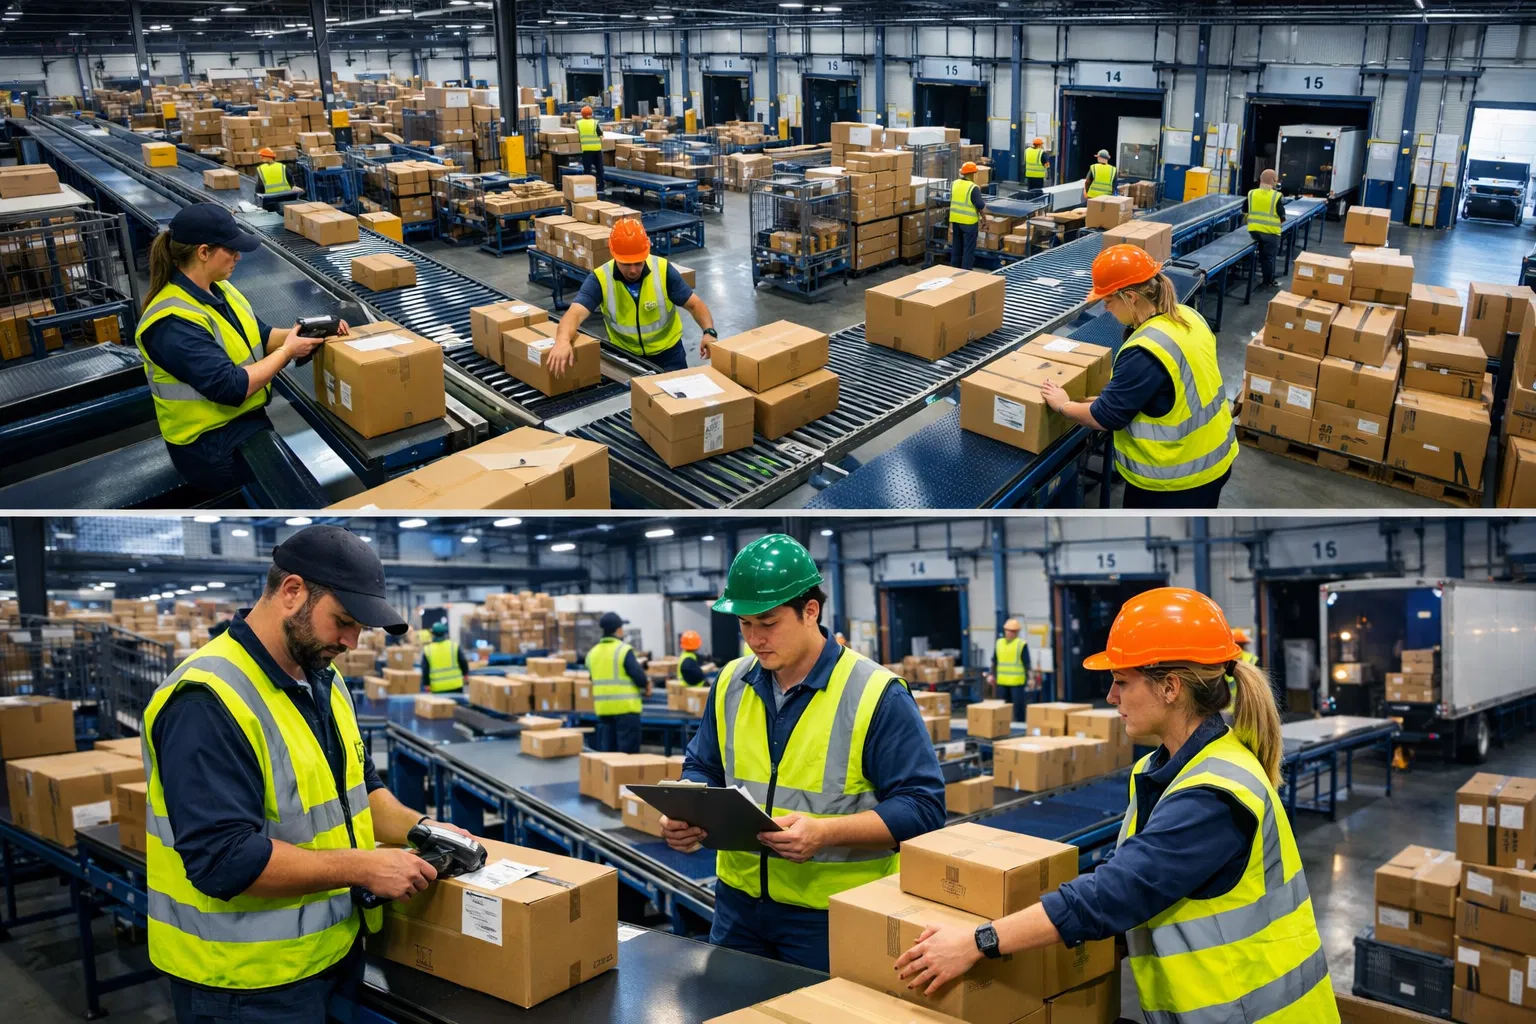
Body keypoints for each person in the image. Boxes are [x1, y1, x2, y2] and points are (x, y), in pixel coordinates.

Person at [894, 587, 1338, 1024]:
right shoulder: (1162, 768)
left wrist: (979, 942)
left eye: (1122, 682)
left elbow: (1116, 891)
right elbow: (1122, 876)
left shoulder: (1214, 795)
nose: (1110, 696)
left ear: (1170, 687)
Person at [142, 525, 476, 1023]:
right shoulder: (207, 700)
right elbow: (223, 859)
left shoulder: (323, 678)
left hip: (330, 954)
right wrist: (364, 867)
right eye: (343, 621)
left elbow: (359, 789)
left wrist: (423, 829)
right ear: (292, 592)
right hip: (245, 985)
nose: (351, 642)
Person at [662, 535, 946, 972]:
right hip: (737, 906)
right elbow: (703, 764)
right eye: (744, 624)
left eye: (768, 622)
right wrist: (687, 806)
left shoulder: (875, 693)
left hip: (832, 914)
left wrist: (825, 833)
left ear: (810, 611)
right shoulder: (730, 682)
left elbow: (923, 807)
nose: (754, 639)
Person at [134, 205, 344, 494]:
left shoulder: (219, 288)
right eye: (231, 250)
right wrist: (287, 352)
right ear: (203, 252)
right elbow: (230, 388)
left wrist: (309, 332)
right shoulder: (171, 322)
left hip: (240, 420)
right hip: (209, 445)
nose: (238, 257)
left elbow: (261, 335)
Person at [1040, 244, 1238, 509]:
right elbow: (1171, 387)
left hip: (1176, 481)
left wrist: (1063, 405)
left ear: (1131, 297)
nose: (1106, 310)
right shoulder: (1188, 316)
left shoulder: (1146, 350)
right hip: (1214, 457)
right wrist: (1112, 398)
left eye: (1108, 302)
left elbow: (1105, 417)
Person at [548, 217, 716, 374]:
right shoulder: (600, 279)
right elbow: (575, 314)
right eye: (626, 264)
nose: (633, 270)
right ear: (614, 255)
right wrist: (562, 341)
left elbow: (695, 305)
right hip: (626, 359)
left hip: (669, 356)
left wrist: (709, 331)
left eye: (638, 263)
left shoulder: (663, 270)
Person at [586, 611, 651, 753]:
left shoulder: (592, 653)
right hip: (626, 710)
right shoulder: (623, 650)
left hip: (604, 710)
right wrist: (647, 684)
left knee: (610, 755)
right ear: (618, 629)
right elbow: (639, 677)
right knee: (627, 756)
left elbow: (593, 678)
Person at [1245, 168, 1287, 288]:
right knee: (1269, 257)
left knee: (1263, 254)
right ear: (1273, 181)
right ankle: (1268, 281)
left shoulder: (1251, 193)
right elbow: (1282, 216)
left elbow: (1245, 209)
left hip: (1253, 231)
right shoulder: (1277, 196)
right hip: (1271, 233)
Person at [988, 618, 1031, 721]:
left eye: (1013, 631)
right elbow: (995, 661)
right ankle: (1002, 726)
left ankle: (1020, 726)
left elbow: (1027, 663)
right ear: (1005, 630)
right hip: (1002, 682)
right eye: (1009, 630)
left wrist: (1030, 678)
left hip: (1017, 683)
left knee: (1018, 709)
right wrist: (991, 674)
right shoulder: (999, 643)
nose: (1010, 633)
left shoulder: (1021, 644)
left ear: (1017, 632)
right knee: (1002, 709)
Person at [948, 161, 986, 270]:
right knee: (968, 250)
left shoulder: (954, 183)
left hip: (956, 221)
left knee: (957, 247)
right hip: (969, 223)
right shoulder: (973, 187)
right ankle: (966, 271)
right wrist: (984, 219)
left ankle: (954, 269)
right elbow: (980, 205)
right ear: (973, 174)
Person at [421, 620, 468, 693]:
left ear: (433, 634)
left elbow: (425, 669)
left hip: (437, 687)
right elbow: (463, 661)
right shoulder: (453, 646)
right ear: (444, 633)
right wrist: (465, 674)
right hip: (456, 685)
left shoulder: (428, 650)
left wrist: (426, 684)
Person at [576, 104, 605, 194]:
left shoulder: (579, 123)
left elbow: (576, 135)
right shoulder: (595, 123)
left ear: (582, 114)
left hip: (586, 150)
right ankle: (601, 187)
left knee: (587, 170)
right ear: (591, 114)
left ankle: (588, 188)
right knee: (599, 169)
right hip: (597, 150)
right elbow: (601, 137)